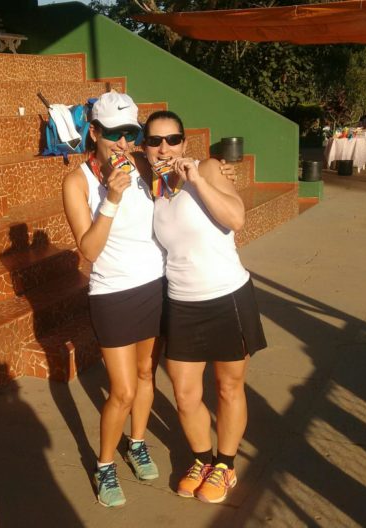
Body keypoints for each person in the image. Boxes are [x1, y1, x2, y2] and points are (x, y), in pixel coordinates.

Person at [143, 110, 267, 504]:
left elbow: (236, 218)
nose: (164, 148)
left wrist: (196, 179)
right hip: (181, 302)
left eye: (172, 139)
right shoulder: (153, 187)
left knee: (228, 387)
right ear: (145, 148)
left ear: (185, 143)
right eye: (155, 141)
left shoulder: (209, 169)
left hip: (227, 295)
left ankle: (225, 465)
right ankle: (201, 459)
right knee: (184, 393)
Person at [62, 91, 166, 508]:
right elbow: (88, 251)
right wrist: (112, 198)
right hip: (112, 293)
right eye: (114, 134)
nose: (123, 143)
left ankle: (136, 442)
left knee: (146, 375)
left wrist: (215, 173)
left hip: (154, 285)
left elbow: (180, 173)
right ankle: (105, 465)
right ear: (94, 132)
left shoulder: (142, 164)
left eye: (130, 133)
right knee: (121, 391)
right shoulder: (78, 182)